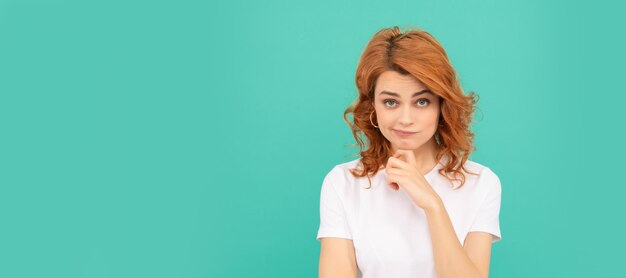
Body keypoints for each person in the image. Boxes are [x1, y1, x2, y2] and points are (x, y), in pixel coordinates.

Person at [316, 26, 502, 278]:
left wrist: (432, 205)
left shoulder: (480, 183)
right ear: (373, 107)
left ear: (441, 106)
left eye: (422, 101)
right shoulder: (344, 183)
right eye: (390, 102)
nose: (405, 119)